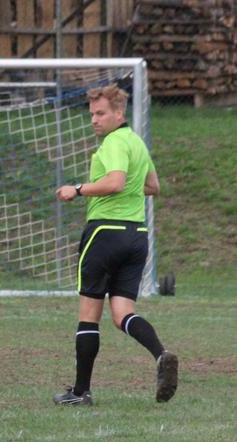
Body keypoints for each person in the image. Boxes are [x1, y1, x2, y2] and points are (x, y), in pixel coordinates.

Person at [53, 84, 177, 406]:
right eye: (92, 113)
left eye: (101, 113)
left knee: (88, 316)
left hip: (104, 234)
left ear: (119, 113)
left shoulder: (113, 143)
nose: (94, 120)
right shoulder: (137, 143)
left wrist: (77, 189)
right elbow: (153, 186)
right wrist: (127, 191)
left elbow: (116, 182)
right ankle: (161, 354)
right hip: (136, 235)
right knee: (123, 313)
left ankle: (81, 392)